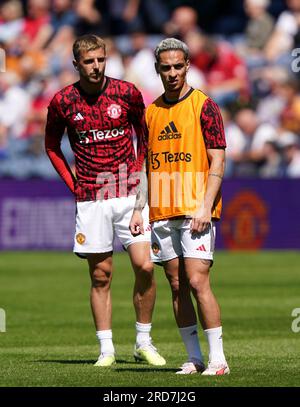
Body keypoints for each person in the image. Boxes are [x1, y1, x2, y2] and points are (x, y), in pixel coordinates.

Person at [45, 34, 165, 367]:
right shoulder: (63, 101)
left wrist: (141, 183)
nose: (96, 66)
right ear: (76, 65)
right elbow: (52, 147)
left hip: (128, 193)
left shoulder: (127, 93)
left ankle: (143, 341)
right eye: (89, 61)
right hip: (91, 199)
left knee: (145, 266)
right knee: (101, 275)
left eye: (100, 59)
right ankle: (106, 349)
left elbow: (145, 137)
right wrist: (73, 186)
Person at [130, 38, 230, 375]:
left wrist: (206, 206)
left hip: (195, 210)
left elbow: (218, 160)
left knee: (198, 280)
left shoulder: (205, 106)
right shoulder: (151, 113)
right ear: (157, 69)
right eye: (165, 68)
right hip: (161, 210)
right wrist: (138, 209)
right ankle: (194, 357)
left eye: (177, 66)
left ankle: (218, 359)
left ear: (187, 66)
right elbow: (145, 166)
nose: (172, 73)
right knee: (176, 284)